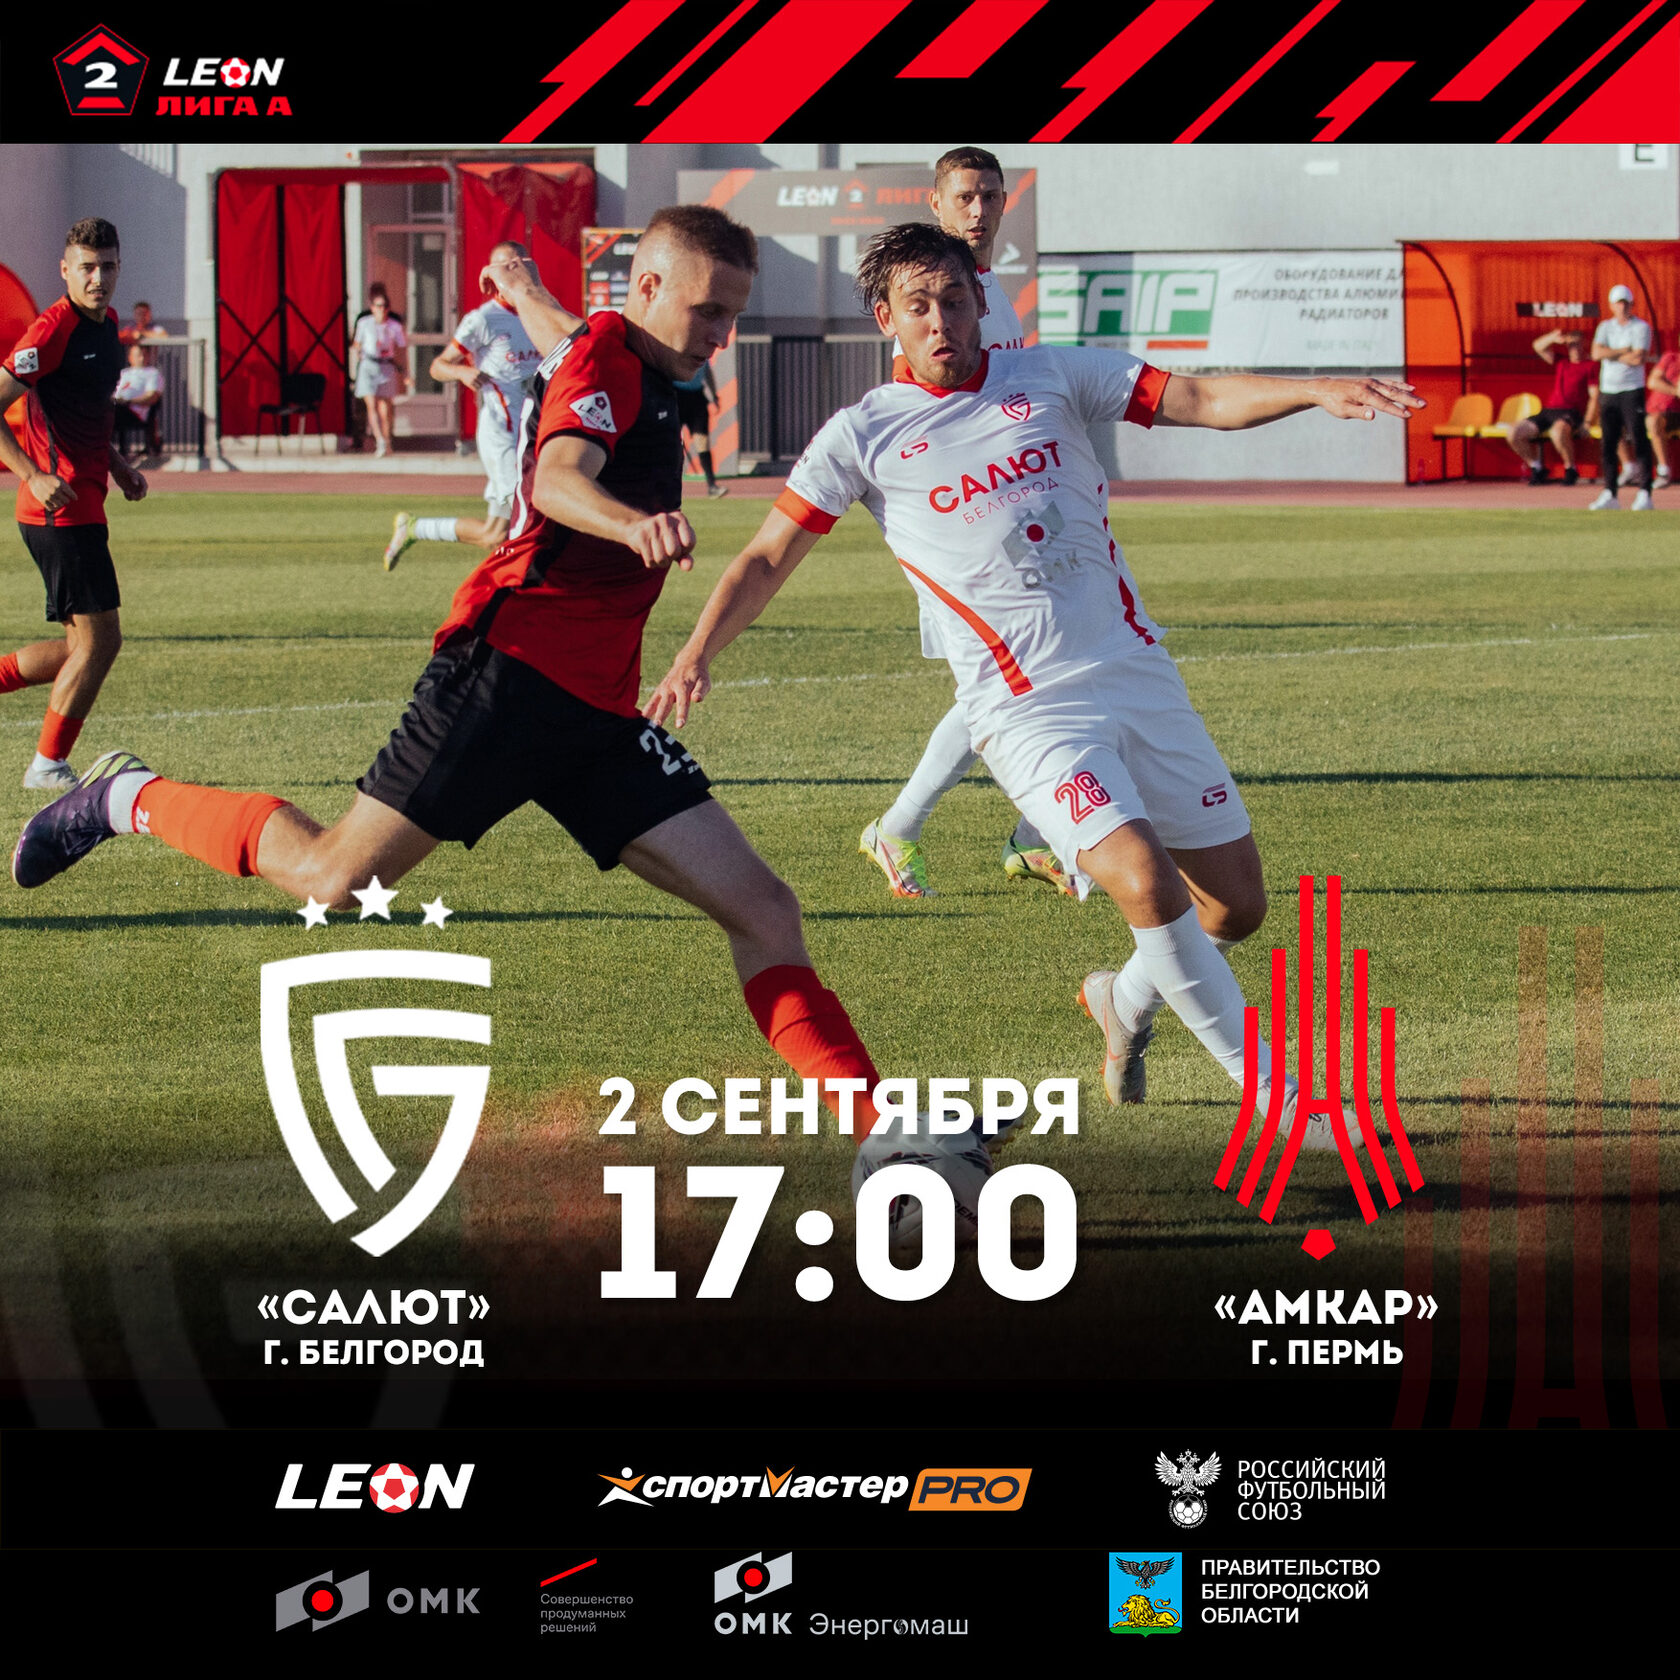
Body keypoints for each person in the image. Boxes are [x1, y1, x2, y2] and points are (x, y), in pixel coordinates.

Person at [13, 206, 902, 1208]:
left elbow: (572, 334)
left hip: (598, 716)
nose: (721, 336)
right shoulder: (609, 359)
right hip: (503, 680)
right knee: (331, 880)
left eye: (733, 314)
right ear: (648, 289)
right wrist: (631, 524)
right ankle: (124, 797)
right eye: (708, 312)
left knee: (765, 909)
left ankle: (888, 1141)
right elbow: (556, 477)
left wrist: (520, 287)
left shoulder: (630, 351)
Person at [645, 223, 1421, 1175]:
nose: (941, 321)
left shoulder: (1052, 373)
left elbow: (1199, 397)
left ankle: (1122, 1002)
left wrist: (1314, 388)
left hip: (1138, 674)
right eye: (918, 306)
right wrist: (696, 651)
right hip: (1027, 713)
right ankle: (1285, 1106)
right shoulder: (862, 435)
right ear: (886, 318)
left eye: (955, 299)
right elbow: (767, 556)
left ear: (980, 300)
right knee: (1144, 880)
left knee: (1234, 909)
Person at [857, 147, 1069, 903]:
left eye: (991, 196)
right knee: (1000, 687)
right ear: (937, 203)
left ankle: (1033, 835)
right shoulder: (932, 295)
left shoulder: (988, 288)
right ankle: (902, 827)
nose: (979, 210)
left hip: (1017, 516)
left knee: (1047, 669)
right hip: (961, 529)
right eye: (965, 197)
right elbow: (919, 407)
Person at [0, 216, 147, 793]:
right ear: (65, 270)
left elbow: (87, 415)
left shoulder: (106, 325)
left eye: (107, 267)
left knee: (78, 648)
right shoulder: (50, 331)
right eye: (87, 268)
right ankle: (47, 766)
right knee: (102, 642)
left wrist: (118, 466)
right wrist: (33, 475)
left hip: (86, 502)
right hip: (57, 510)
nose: (98, 279)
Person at [383, 241, 565, 570]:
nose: (512, 274)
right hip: (501, 434)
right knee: (532, 515)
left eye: (517, 265)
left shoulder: (540, 313)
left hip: (532, 434)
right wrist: (462, 372)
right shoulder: (484, 319)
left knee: (494, 535)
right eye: (504, 268)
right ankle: (520, 587)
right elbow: (437, 366)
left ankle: (414, 528)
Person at [1588, 284, 1654, 511]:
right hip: (1608, 391)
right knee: (1608, 442)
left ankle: (1644, 493)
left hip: (1632, 390)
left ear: (1631, 304)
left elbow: (1638, 359)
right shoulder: (1605, 327)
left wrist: (1611, 354)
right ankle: (1610, 492)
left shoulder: (1641, 327)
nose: (1622, 307)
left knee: (1638, 439)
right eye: (1618, 303)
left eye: (1625, 303)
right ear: (1611, 305)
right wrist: (1623, 351)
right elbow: (1596, 353)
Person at [1508, 329, 1594, 485]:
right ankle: (1537, 467)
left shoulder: (1590, 365)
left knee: (1557, 432)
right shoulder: (1562, 361)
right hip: (1549, 411)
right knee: (1514, 432)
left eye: (1577, 344)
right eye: (1570, 345)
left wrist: (1588, 421)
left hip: (1572, 412)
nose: (1574, 348)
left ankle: (1570, 469)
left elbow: (1595, 396)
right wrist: (1553, 337)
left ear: (1584, 344)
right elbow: (1537, 346)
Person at [350, 286, 409, 457]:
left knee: (385, 408)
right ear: (372, 307)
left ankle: (386, 440)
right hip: (369, 364)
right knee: (371, 405)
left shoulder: (394, 325)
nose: (381, 309)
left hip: (386, 366)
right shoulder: (364, 322)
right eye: (377, 306)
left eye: (384, 306)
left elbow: (402, 349)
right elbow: (356, 342)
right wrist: (360, 350)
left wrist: (405, 372)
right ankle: (379, 440)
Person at [675, 361, 726, 497]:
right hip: (676, 396)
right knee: (672, 443)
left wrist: (714, 395)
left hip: (697, 397)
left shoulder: (703, 353)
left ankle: (712, 486)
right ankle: (667, 487)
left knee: (702, 442)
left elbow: (708, 372)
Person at [112, 341, 163, 458]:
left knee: (111, 413)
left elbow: (152, 397)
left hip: (135, 413)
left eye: (145, 355)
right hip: (117, 406)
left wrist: (129, 402)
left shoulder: (153, 373)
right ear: (130, 357)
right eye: (138, 355)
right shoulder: (124, 373)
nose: (142, 358)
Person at [1642, 341, 1678, 488]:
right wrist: (1675, 390)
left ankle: (1663, 471)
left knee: (1653, 422)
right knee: (1614, 423)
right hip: (1655, 410)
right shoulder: (1670, 357)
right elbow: (1652, 382)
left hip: (1676, 412)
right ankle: (1633, 469)